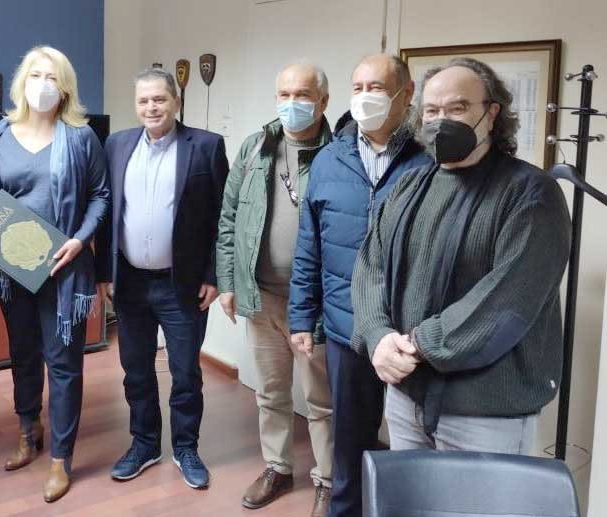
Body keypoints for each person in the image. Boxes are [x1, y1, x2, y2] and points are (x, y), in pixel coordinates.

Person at [351, 57, 571, 454]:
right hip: (405, 397)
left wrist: (416, 346)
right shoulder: (409, 187)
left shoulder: (531, 194)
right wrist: (376, 336)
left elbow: (508, 301)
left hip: (485, 413)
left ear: (492, 113)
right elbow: (370, 268)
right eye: (431, 111)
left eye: (457, 108)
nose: (441, 121)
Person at [288, 54, 433, 517]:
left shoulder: (431, 160)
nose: (366, 96)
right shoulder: (330, 160)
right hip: (346, 329)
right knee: (349, 444)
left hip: (412, 333)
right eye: (359, 87)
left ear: (406, 94)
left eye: (377, 87)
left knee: (414, 446)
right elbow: (308, 246)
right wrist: (300, 317)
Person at [0, 45, 109, 503]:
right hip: (14, 269)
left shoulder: (81, 137)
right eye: (35, 75)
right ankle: (26, 431)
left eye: (52, 77)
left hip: (63, 269)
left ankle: (60, 458)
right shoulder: (0, 134)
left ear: (65, 87)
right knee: (23, 353)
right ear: (22, 82)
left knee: (64, 364)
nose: (43, 85)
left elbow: (101, 195)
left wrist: (81, 239)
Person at [96, 67, 229, 489]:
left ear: (176, 102)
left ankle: (186, 447)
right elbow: (107, 213)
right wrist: (105, 273)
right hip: (130, 282)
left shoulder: (206, 146)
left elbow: (222, 216)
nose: (151, 107)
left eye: (159, 99)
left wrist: (214, 275)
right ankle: (145, 443)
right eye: (143, 100)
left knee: (185, 372)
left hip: (182, 284)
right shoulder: (116, 145)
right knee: (135, 370)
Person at [216, 62, 334, 516]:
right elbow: (229, 218)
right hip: (261, 297)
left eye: (302, 94)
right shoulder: (255, 147)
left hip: (315, 305)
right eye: (284, 94)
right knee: (270, 393)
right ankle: (278, 467)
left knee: (322, 400)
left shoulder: (338, 154)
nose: (291, 103)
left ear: (323, 101)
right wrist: (228, 282)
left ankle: (328, 480)